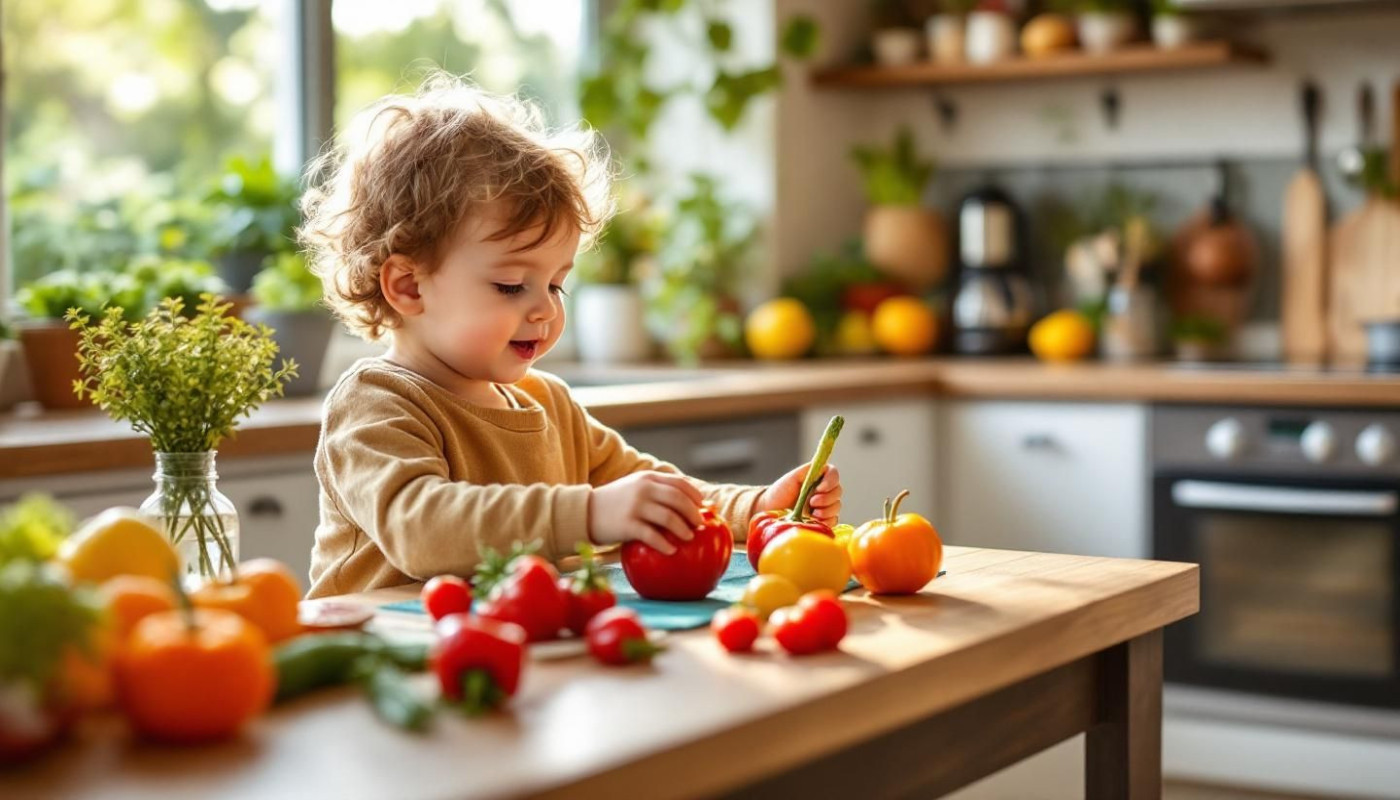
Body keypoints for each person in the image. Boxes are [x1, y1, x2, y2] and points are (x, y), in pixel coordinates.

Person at [298, 74, 841, 599]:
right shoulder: (376, 402)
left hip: (509, 649)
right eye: (512, 285)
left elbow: (651, 488)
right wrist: (589, 514)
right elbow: (421, 530)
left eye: (557, 284)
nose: (545, 309)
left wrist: (757, 508)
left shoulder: (547, 403)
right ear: (408, 286)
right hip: (385, 663)